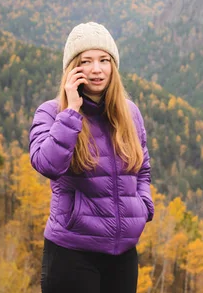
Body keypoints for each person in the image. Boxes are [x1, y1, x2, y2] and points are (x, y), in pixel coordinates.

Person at [29, 22, 154, 293]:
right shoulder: (51, 113)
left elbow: (142, 169)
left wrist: (144, 208)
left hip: (123, 255)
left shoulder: (130, 113)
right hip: (73, 252)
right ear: (72, 68)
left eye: (104, 60)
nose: (97, 69)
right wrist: (72, 112)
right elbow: (47, 164)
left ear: (113, 66)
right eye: (86, 61)